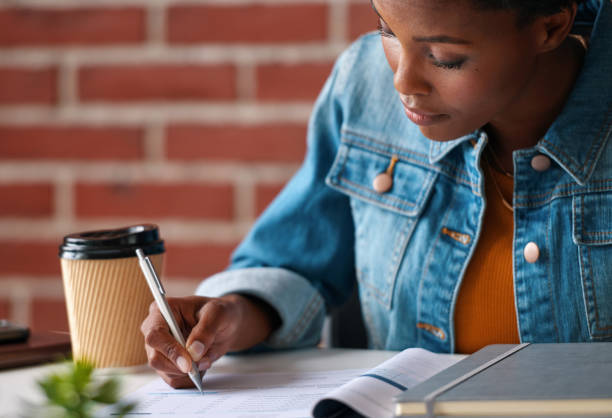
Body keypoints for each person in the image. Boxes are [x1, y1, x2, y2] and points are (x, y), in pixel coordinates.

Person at [141, 0, 611, 388]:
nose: (402, 83)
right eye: (387, 30)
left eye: (444, 57)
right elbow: (297, 263)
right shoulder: (362, 81)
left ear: (550, 27)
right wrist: (232, 315)